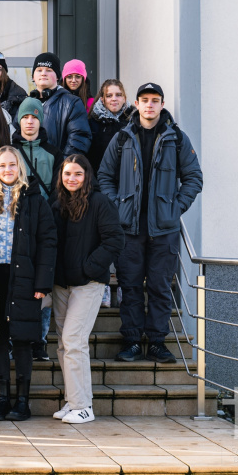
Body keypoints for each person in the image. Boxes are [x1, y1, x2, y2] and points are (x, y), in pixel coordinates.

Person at [98, 83, 203, 363]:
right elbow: (104, 177)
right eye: (144, 100)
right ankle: (132, 341)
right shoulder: (123, 137)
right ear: (136, 103)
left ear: (161, 104)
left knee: (159, 286)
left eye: (155, 101)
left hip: (163, 229)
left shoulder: (176, 138)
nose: (149, 105)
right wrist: (117, 205)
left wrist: (175, 207)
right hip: (129, 229)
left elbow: (194, 177)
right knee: (130, 286)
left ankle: (157, 342)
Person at [0, 146, 57, 421]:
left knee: (24, 339)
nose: (7, 170)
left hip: (25, 278)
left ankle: (22, 402)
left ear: (20, 168)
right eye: (2, 166)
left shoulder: (34, 198)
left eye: (12, 165)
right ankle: (2, 399)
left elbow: (48, 241)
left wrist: (42, 282)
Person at [51, 154, 124, 424]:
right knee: (64, 344)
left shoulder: (99, 202)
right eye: (67, 173)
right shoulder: (56, 203)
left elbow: (115, 239)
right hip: (61, 283)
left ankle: (83, 407)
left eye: (78, 174)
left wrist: (91, 267)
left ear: (87, 176)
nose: (72, 178)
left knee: (74, 341)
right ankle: (73, 402)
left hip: (89, 283)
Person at [11, 97, 63, 361]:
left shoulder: (53, 152)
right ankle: (14, 337)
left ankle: (39, 340)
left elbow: (58, 189)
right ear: (18, 120)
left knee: (42, 285)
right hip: (14, 225)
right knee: (16, 284)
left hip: (43, 225)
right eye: (25, 117)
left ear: (40, 120)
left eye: (34, 117)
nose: (29, 122)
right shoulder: (9, 150)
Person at [29, 52, 91, 157]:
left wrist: (62, 167)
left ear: (58, 76)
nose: (43, 73)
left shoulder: (72, 103)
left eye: (49, 70)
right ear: (33, 77)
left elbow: (79, 138)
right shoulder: (25, 103)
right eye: (39, 70)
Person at [86, 79, 134, 173]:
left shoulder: (134, 122)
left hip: (127, 178)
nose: (114, 99)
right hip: (99, 179)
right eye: (109, 96)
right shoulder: (92, 124)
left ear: (124, 98)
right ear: (102, 100)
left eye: (118, 95)